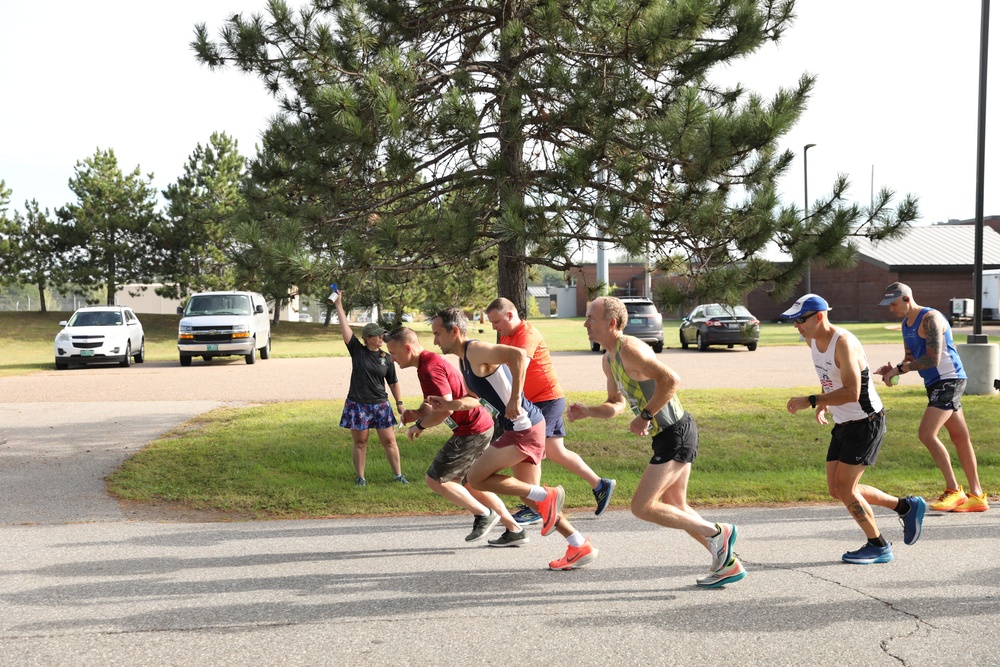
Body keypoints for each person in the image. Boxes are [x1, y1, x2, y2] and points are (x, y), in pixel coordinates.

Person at [568, 296, 744, 588]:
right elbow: (615, 404)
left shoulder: (630, 350)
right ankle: (728, 563)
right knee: (676, 505)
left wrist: (647, 415)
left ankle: (718, 532)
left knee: (642, 506)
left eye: (591, 318)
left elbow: (671, 380)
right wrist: (589, 411)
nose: (586, 324)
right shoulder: (608, 358)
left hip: (676, 431)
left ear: (611, 323)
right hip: (668, 434)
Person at [429, 307, 598, 570]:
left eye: (438, 333)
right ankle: (578, 544)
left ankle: (548, 495)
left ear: (454, 331)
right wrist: (448, 406)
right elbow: (475, 399)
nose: (435, 341)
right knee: (532, 499)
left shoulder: (475, 350)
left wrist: (515, 397)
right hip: (521, 425)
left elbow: (518, 355)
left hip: (524, 426)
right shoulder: (465, 360)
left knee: (474, 478)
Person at [782, 293, 928, 564]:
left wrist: (813, 400)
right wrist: (826, 402)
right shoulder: (811, 338)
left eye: (800, 320)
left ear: (819, 316)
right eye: (793, 321)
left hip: (865, 422)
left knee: (846, 489)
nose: (796, 326)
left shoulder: (844, 343)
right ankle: (906, 506)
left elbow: (851, 391)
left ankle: (879, 545)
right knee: (836, 489)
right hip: (844, 422)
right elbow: (831, 377)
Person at [485, 298, 616, 526]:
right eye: (492, 323)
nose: (495, 327)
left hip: (545, 400)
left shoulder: (527, 334)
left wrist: (514, 399)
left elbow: (520, 368)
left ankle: (533, 506)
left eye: (497, 321)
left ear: (509, 315)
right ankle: (600, 484)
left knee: (526, 449)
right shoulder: (506, 335)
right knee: (555, 450)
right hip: (535, 401)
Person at [384, 327, 520, 542]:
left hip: (472, 429)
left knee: (436, 479)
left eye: (393, 353)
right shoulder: (427, 363)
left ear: (407, 348)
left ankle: (484, 514)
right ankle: (514, 530)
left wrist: (420, 426)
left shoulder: (429, 368)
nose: (392, 359)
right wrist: (418, 414)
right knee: (471, 483)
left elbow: (445, 409)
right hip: (479, 425)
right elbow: (436, 401)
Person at [875, 282, 988, 512]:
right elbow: (909, 359)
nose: (891, 309)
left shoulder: (931, 319)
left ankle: (954, 490)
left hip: (950, 379)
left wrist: (901, 370)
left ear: (907, 299)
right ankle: (977, 496)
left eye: (893, 304)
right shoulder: (906, 324)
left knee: (926, 434)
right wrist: (893, 369)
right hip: (935, 382)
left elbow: (932, 359)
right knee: (959, 437)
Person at [333, 291, 408, 486]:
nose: (381, 337)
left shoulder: (386, 357)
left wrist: (399, 403)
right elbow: (345, 327)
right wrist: (339, 305)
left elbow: (393, 382)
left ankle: (398, 475)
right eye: (377, 335)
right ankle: (360, 478)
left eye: (382, 334)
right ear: (368, 338)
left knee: (390, 441)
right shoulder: (357, 350)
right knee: (360, 442)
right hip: (358, 405)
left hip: (380, 405)